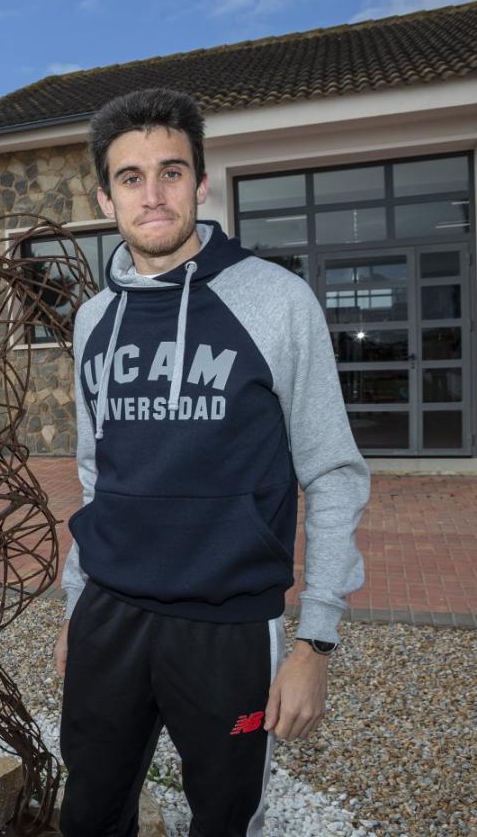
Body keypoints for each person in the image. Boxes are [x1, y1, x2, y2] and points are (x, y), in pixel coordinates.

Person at [53, 87, 369, 836]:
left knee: (225, 822)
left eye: (171, 172)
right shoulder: (94, 319)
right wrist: (75, 606)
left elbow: (332, 472)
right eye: (131, 177)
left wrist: (314, 642)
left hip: (227, 630)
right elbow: (97, 473)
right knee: (88, 816)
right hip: (109, 617)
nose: (153, 194)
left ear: (201, 183)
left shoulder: (276, 302)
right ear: (106, 195)